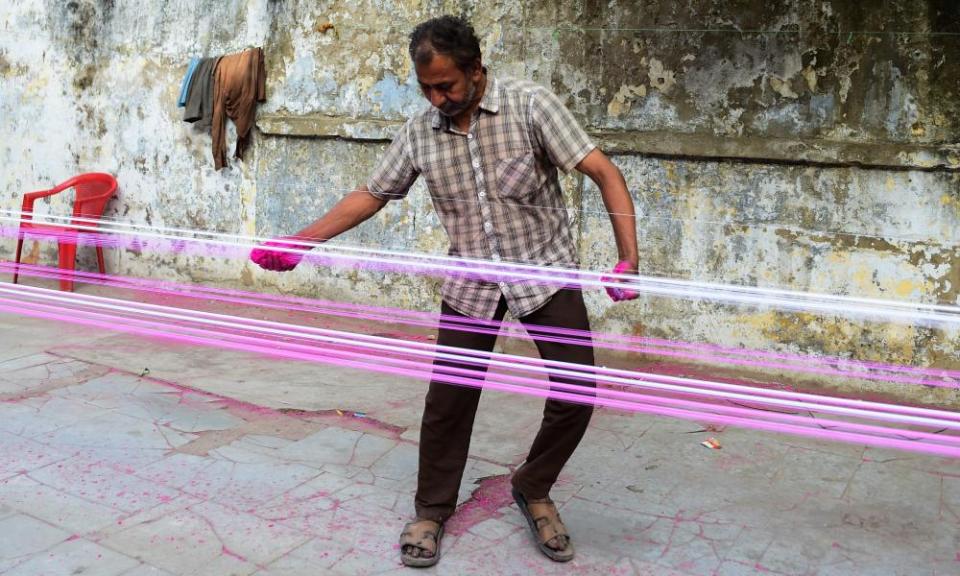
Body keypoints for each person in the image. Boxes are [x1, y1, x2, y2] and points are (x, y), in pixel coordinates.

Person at [251, 15, 638, 567]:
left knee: (578, 393)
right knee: (448, 403)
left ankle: (532, 486)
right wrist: (302, 241)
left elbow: (604, 172)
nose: (436, 98)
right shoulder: (419, 131)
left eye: (446, 86)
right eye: (426, 88)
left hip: (545, 274)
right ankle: (432, 510)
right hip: (471, 282)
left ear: (476, 70)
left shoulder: (532, 106)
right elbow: (372, 193)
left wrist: (629, 259)